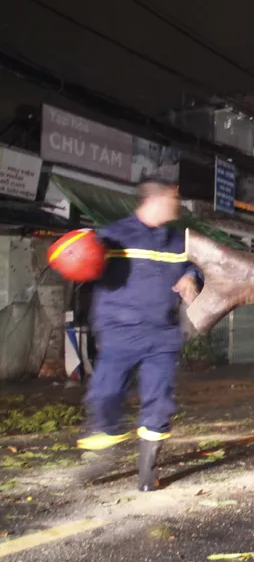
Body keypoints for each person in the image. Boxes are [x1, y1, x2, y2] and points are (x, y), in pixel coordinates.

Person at [77, 178, 200, 492]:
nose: (178, 202)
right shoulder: (113, 236)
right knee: (105, 393)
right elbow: (82, 258)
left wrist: (190, 275)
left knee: (159, 403)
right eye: (174, 197)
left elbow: (195, 266)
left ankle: (148, 471)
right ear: (157, 200)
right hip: (120, 332)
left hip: (162, 335)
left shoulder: (177, 242)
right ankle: (101, 450)